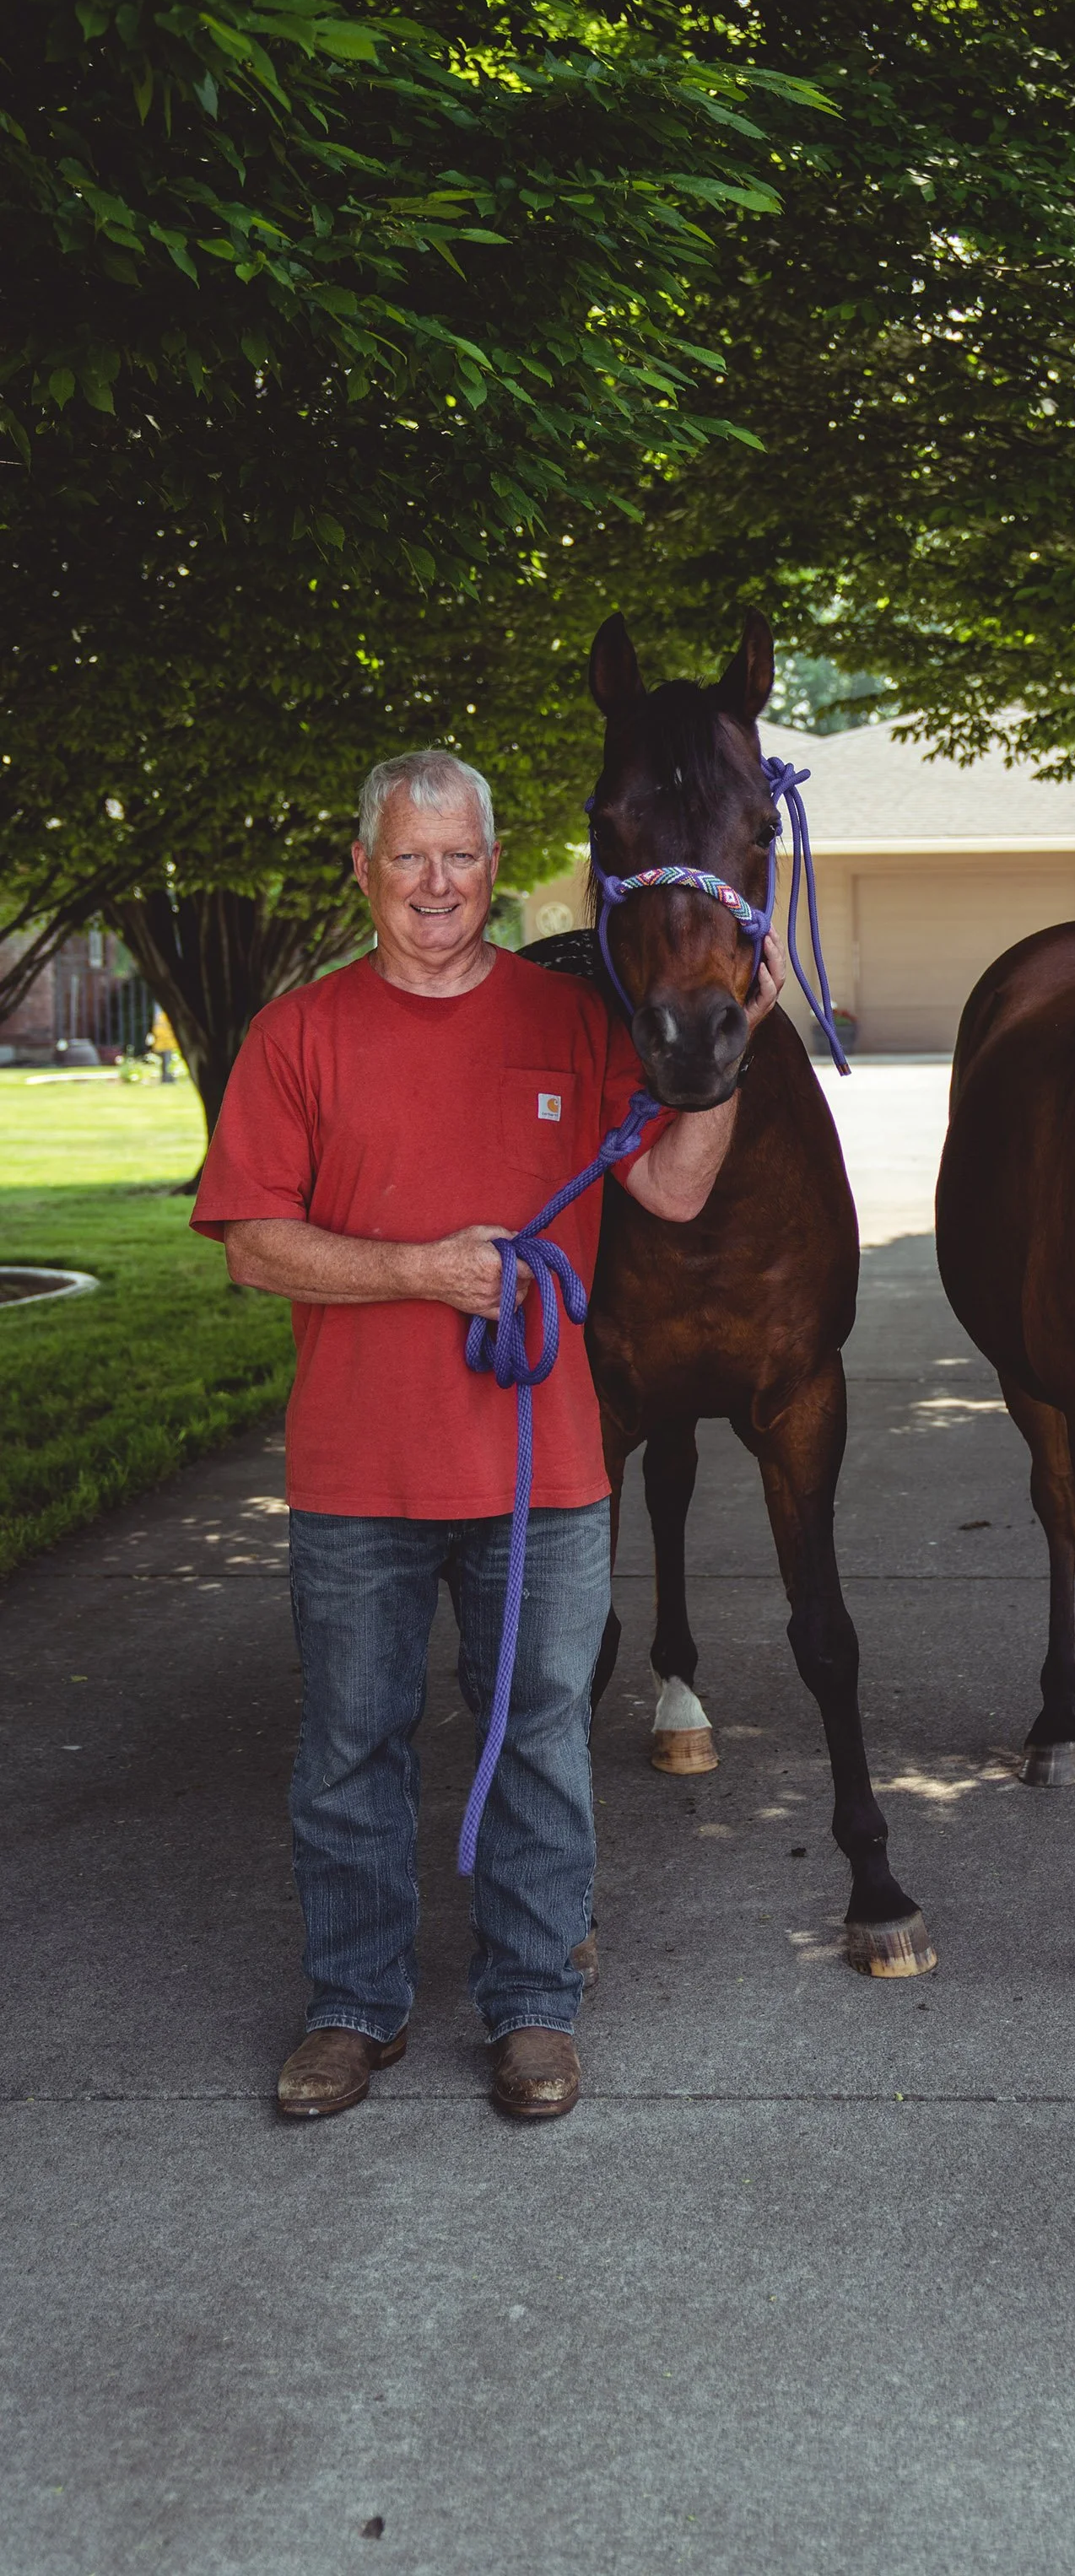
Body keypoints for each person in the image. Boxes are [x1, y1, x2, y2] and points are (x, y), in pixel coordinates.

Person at [193, 751, 783, 2125]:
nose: (438, 885)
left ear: (493, 865)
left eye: (461, 857)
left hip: (545, 1476)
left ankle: (531, 2007)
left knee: (540, 1740)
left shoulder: (572, 1022)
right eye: (409, 858)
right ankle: (353, 2004)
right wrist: (423, 1272)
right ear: (365, 871)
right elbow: (255, 1252)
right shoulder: (298, 1036)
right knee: (349, 1745)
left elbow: (672, 1189)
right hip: (358, 1476)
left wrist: (728, 1057)